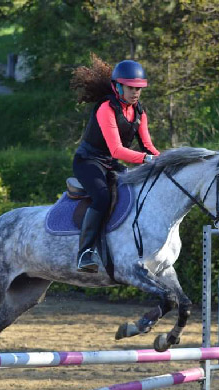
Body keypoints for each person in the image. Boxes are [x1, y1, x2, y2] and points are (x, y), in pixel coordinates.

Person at [72, 59, 160, 272]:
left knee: (135, 190)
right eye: (131, 88)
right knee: (102, 197)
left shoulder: (139, 111)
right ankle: (85, 253)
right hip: (88, 162)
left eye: (139, 88)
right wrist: (148, 160)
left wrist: (165, 159)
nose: (135, 93)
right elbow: (117, 150)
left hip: (110, 164)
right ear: (117, 86)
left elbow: (147, 145)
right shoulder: (106, 108)